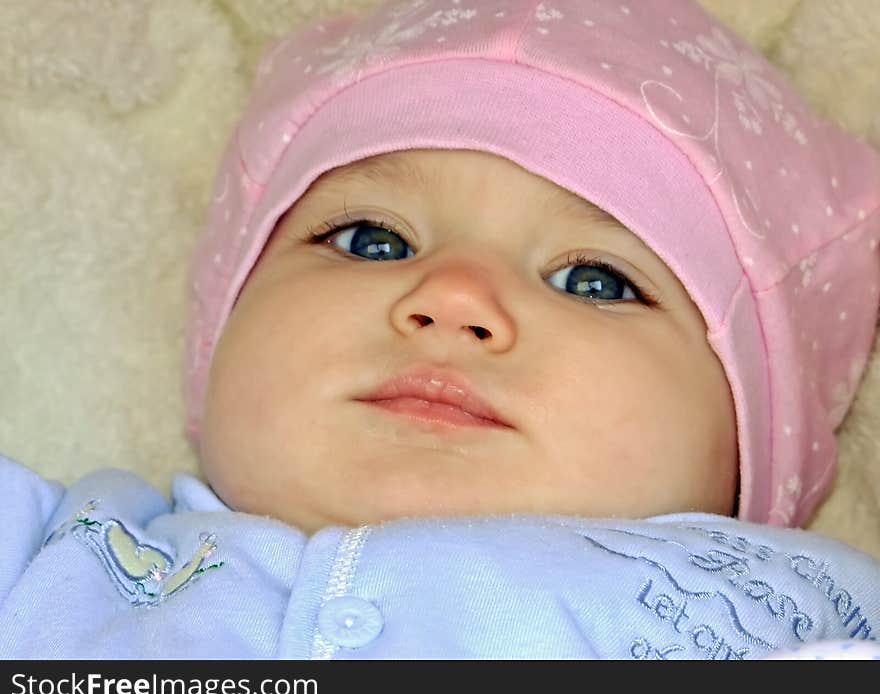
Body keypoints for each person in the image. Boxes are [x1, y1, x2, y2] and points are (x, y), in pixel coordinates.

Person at [2, 0, 879, 659]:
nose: (453, 297)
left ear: (752, 462)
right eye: (372, 240)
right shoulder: (62, 554)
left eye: (595, 281)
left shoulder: (792, 615)